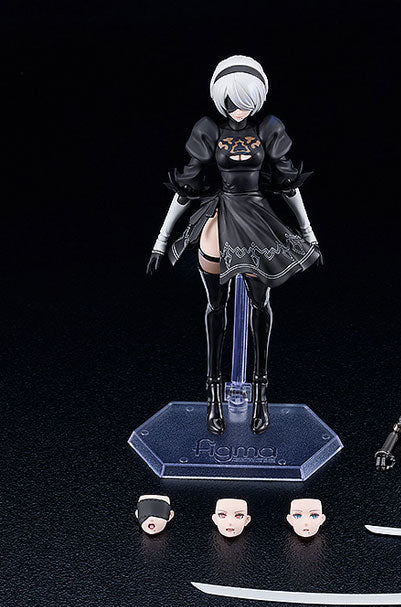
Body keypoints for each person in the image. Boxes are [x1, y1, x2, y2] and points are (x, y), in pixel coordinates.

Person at [146, 55, 321, 436]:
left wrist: (309, 233)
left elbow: (289, 186)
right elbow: (186, 188)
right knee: (215, 307)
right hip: (222, 212)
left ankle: (260, 395)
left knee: (261, 306)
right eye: (231, 101)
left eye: (246, 101)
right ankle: (213, 395)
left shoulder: (268, 129)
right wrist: (161, 241)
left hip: (257, 215)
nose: (239, 108)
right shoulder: (208, 130)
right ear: (219, 98)